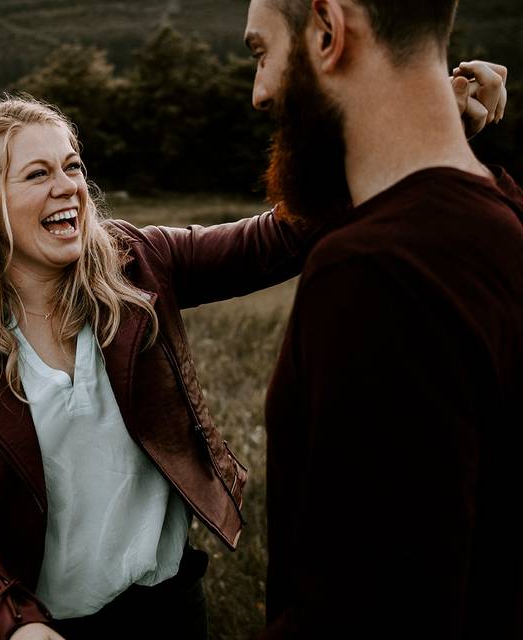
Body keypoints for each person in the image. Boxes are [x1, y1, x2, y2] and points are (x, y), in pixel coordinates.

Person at [0, 69, 505, 640]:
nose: (68, 186)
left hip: (164, 613)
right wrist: (13, 623)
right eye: (37, 174)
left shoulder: (139, 266)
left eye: (71, 166)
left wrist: (421, 132)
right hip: (27, 627)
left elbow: (280, 237)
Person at [241, 1, 522, 638]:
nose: (259, 93)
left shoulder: (375, 275)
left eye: (261, 53)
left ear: (326, 29)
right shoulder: (502, 214)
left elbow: (367, 614)